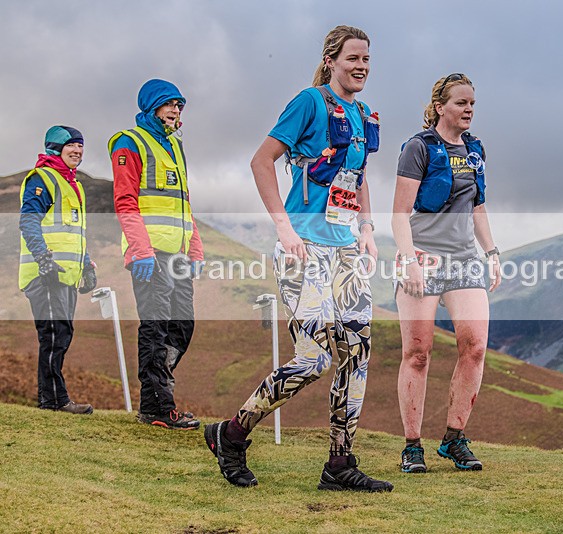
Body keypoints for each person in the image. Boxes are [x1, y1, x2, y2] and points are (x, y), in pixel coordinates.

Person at [204, 25, 392, 492]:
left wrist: (367, 229)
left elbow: (357, 174)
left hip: (345, 250)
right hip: (304, 248)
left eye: (367, 58)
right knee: (313, 359)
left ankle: (339, 464)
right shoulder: (309, 102)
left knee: (357, 352)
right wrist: (284, 228)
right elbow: (260, 161)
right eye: (353, 58)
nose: (362, 65)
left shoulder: (363, 113)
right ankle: (231, 435)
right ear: (331, 60)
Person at [391, 73, 501, 473]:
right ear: (440, 107)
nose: (469, 109)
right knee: (418, 353)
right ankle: (412, 446)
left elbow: (477, 207)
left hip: (465, 259)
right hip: (423, 256)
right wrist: (409, 260)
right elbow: (399, 213)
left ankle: (454, 438)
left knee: (474, 347)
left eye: (472, 103)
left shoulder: (475, 149)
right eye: (461, 103)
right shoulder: (418, 148)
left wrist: (491, 252)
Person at [109, 79, 204, 430]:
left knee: (182, 325)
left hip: (176, 254)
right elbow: (125, 200)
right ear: (152, 107)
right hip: (149, 253)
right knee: (156, 328)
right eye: (170, 104)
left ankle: (157, 393)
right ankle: (158, 407)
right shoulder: (129, 142)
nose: (176, 110)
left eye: (179, 105)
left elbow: (183, 202)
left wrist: (194, 248)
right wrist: (141, 249)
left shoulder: (175, 146)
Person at [19, 125, 97, 415]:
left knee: (62, 334)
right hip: (46, 274)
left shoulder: (73, 185)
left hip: (66, 275)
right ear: (55, 148)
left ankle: (53, 398)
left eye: (80, 145)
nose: (77, 150)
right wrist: (43, 258)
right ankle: (53, 400)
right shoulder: (42, 179)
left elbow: (76, 232)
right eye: (71, 145)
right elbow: (29, 221)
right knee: (54, 334)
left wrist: (86, 264)